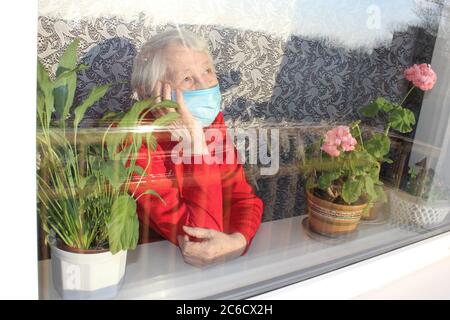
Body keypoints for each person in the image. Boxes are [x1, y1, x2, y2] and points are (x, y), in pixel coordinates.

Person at [130, 29, 263, 267]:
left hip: (220, 267)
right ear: (153, 93)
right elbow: (198, 238)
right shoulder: (134, 140)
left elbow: (244, 198)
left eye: (207, 71)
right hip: (161, 270)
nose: (204, 85)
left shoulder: (213, 124)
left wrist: (238, 242)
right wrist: (196, 147)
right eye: (187, 78)